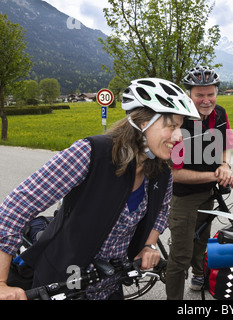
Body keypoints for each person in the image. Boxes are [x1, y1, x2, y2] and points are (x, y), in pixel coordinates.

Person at [0, 78, 200, 300]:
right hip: (59, 286)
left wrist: (148, 245)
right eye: (171, 125)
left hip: (109, 286)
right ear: (144, 122)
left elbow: (162, 211)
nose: (179, 136)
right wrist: (1, 283)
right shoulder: (91, 153)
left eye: (180, 126)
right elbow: (14, 208)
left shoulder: (161, 170)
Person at [166, 66, 233, 300]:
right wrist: (216, 176)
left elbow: (227, 143)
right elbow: (175, 175)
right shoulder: (179, 123)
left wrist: (225, 165)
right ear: (189, 95)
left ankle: (200, 277)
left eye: (211, 94)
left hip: (208, 192)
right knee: (180, 255)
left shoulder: (220, 113)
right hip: (184, 196)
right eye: (200, 95)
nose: (206, 101)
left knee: (202, 240)